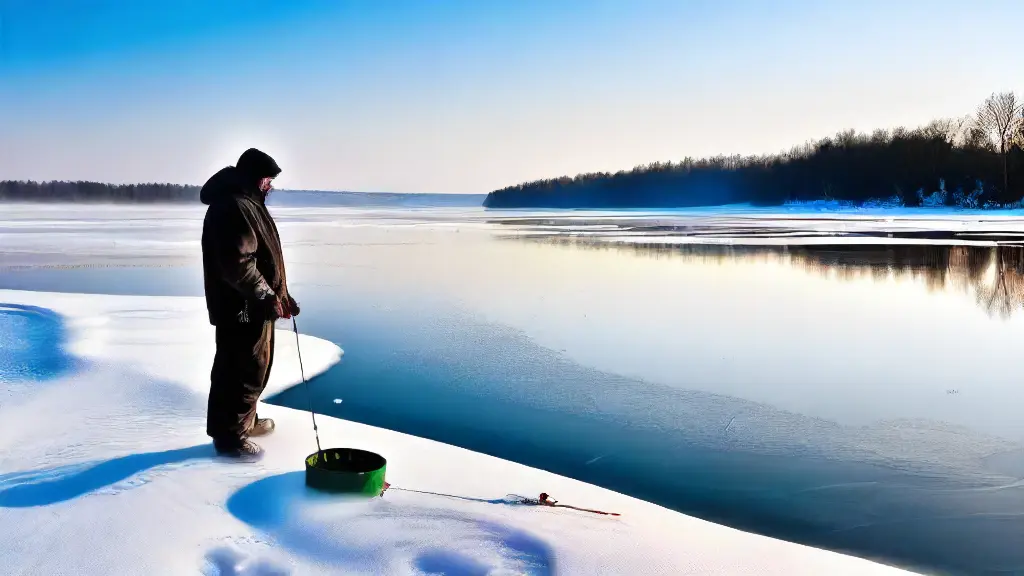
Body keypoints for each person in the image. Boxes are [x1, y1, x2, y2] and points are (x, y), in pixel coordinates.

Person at [199, 148, 300, 458]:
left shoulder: (249, 204)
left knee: (254, 366)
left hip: (255, 304)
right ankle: (230, 438)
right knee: (239, 369)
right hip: (240, 308)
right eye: (267, 180)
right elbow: (238, 263)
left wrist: (281, 296)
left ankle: (246, 422)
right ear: (255, 179)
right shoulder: (233, 206)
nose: (270, 186)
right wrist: (266, 295)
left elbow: (264, 260)